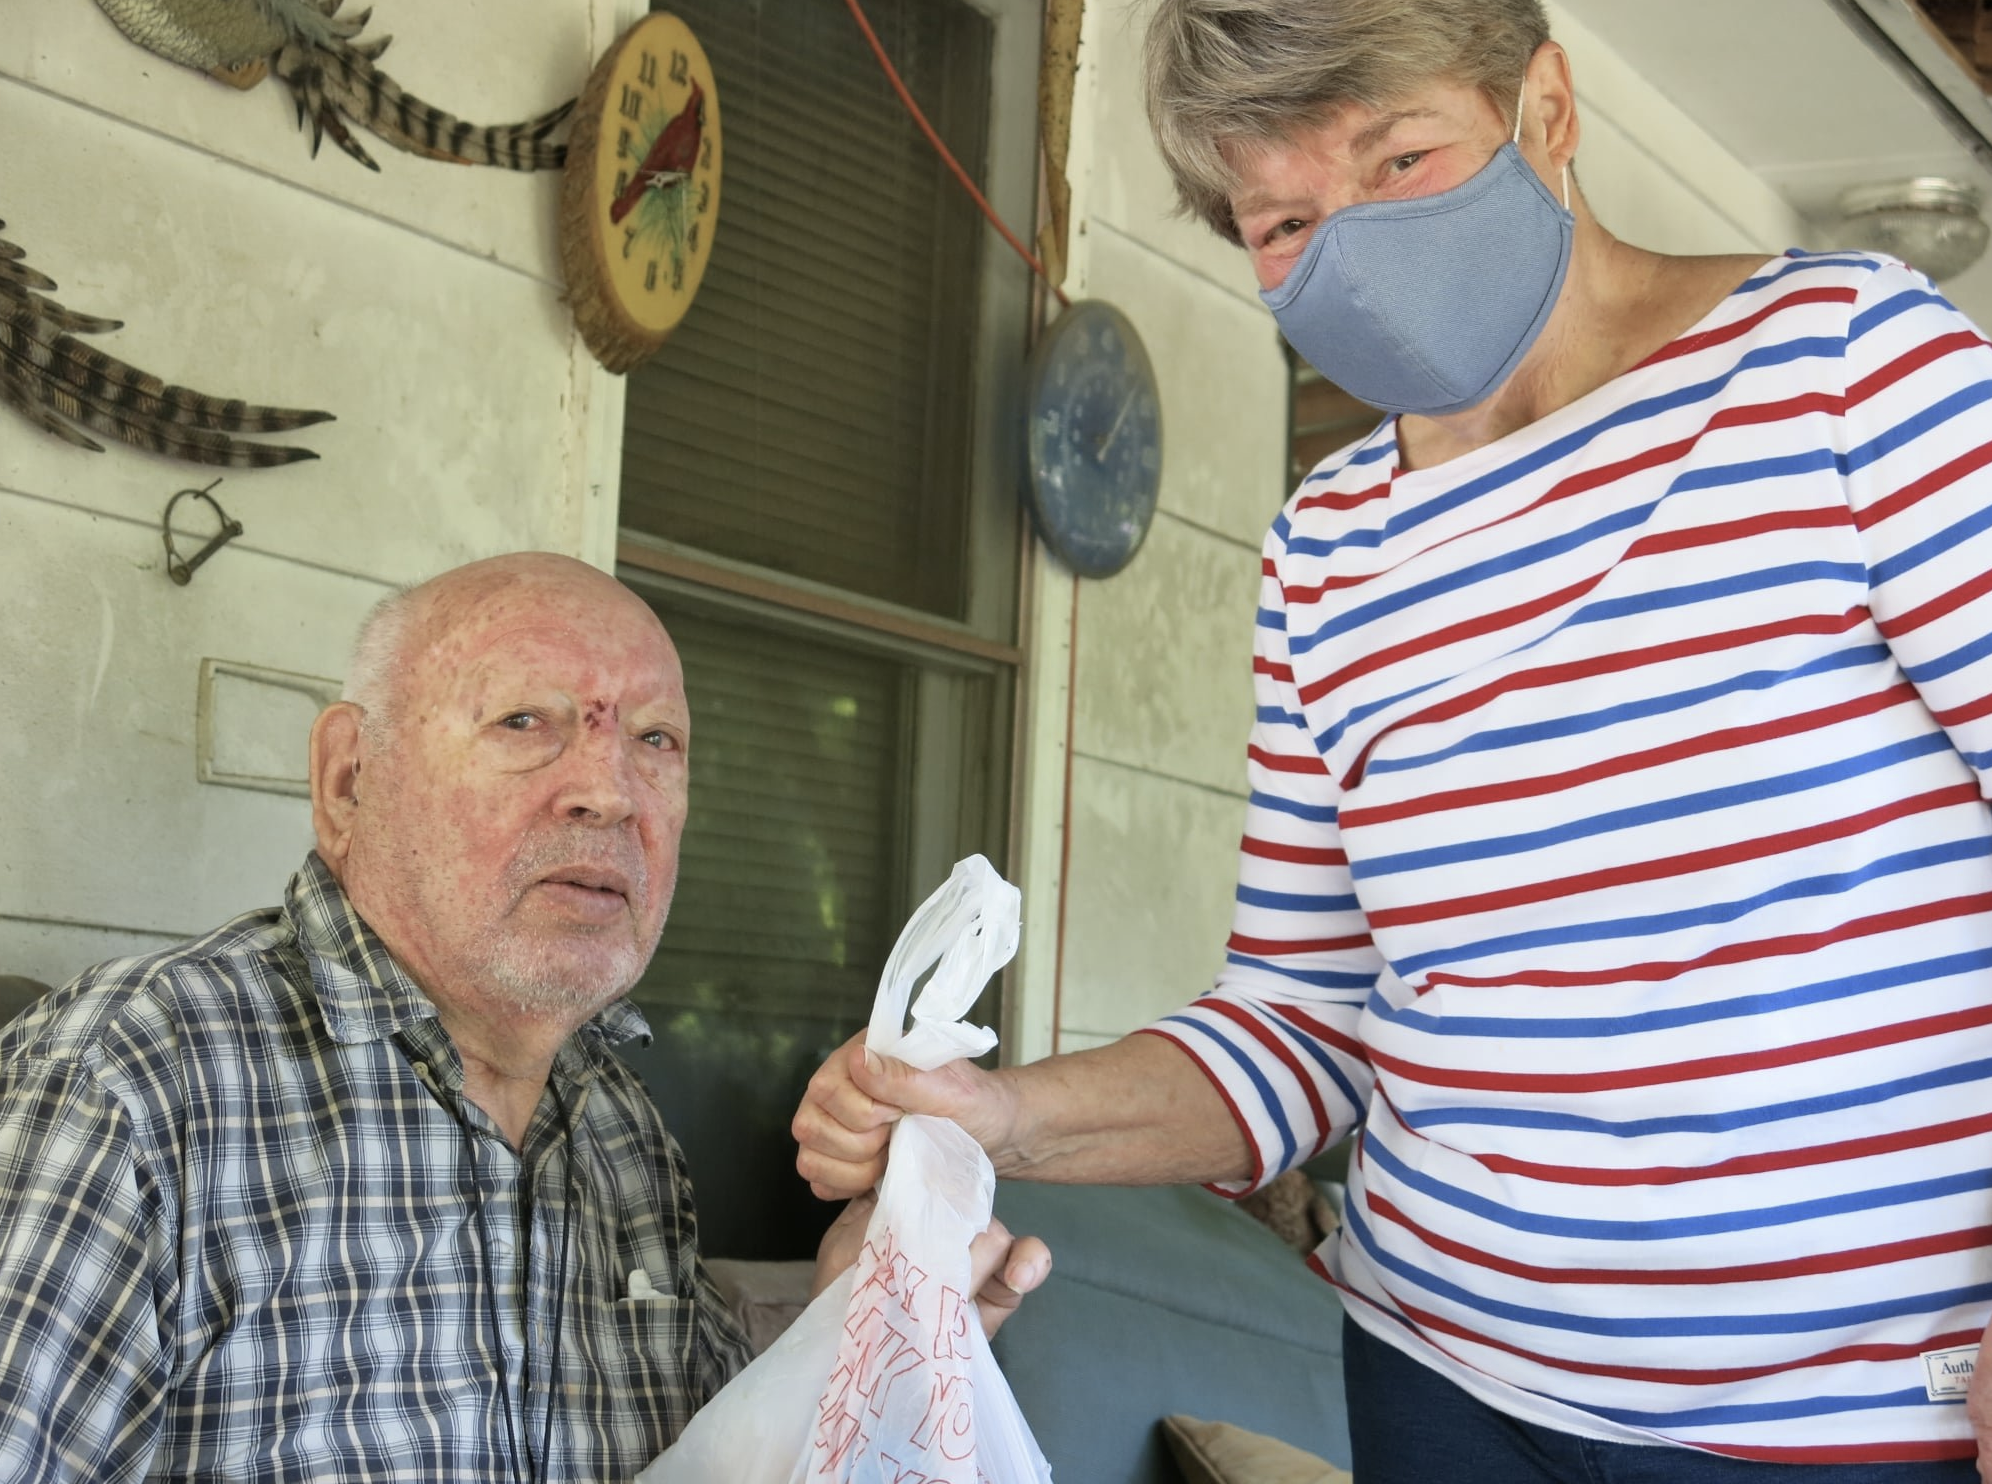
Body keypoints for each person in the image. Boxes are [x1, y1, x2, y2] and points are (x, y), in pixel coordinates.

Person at [794, 2, 1992, 1479]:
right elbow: (1304, 1020)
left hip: (1855, 1419)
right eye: (1284, 216)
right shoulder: (1327, 549)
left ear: (1546, 107)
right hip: (1444, 1388)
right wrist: (1000, 1113)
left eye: (1400, 158)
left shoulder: (1849, 370)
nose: (1350, 247)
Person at [0, 552, 1043, 1483]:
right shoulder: (131, 1082)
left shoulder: (619, 1131)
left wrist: (859, 1321)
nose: (610, 789)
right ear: (348, 778)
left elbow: (700, 1455)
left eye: (657, 738)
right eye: (523, 721)